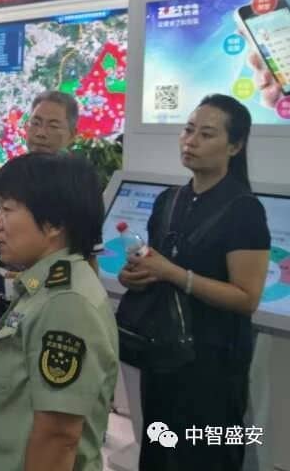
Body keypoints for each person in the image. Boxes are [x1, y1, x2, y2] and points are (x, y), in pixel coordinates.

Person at [120, 94, 270, 471]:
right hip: (162, 356)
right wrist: (135, 276)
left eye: (206, 134)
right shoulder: (169, 201)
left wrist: (174, 273)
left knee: (203, 457)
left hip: (213, 367)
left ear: (235, 146)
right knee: (158, 452)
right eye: (188, 130)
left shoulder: (244, 210)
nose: (191, 141)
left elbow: (246, 298)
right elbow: (156, 268)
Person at [0, 153, 118, 471]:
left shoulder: (66, 304)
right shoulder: (41, 286)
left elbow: (58, 437)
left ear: (54, 224)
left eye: (7, 210)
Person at [0, 90, 80, 470]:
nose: (41, 132)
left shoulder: (78, 188)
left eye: (53, 125)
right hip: (1, 311)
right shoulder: (1, 179)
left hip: (50, 316)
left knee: (42, 409)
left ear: (72, 134)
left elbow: (85, 257)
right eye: (36, 122)